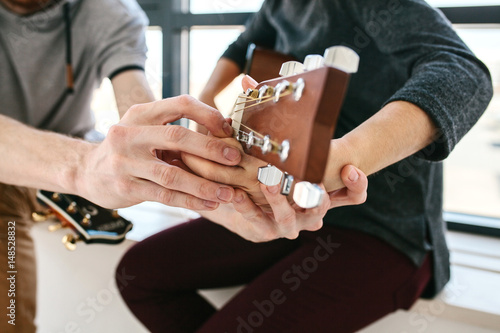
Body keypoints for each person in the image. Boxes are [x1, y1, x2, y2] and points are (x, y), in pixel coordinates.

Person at [116, 0, 493, 332]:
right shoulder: (279, 5)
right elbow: (241, 46)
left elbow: (464, 73)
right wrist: (202, 126)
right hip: (292, 213)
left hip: (384, 235)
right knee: (137, 276)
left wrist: (336, 160)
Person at [0, 0, 246, 332]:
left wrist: (157, 146)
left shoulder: (108, 10)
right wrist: (82, 166)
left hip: (69, 155)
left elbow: (134, 97)